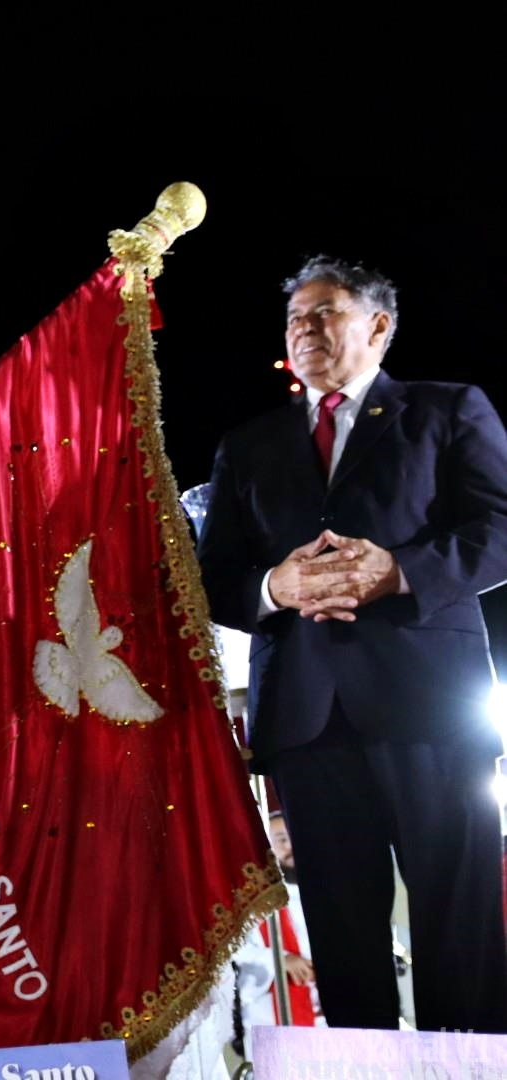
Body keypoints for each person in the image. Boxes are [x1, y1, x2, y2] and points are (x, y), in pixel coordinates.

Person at [196, 255, 507, 1033]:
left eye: (324, 311)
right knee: (341, 936)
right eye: (294, 318)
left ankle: (468, 1067)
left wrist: (399, 571)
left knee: (457, 920)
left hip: (430, 705)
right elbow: (213, 580)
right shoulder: (248, 444)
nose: (304, 328)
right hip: (307, 718)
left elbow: (500, 528)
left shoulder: (446, 410)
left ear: (379, 325)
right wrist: (275, 587)